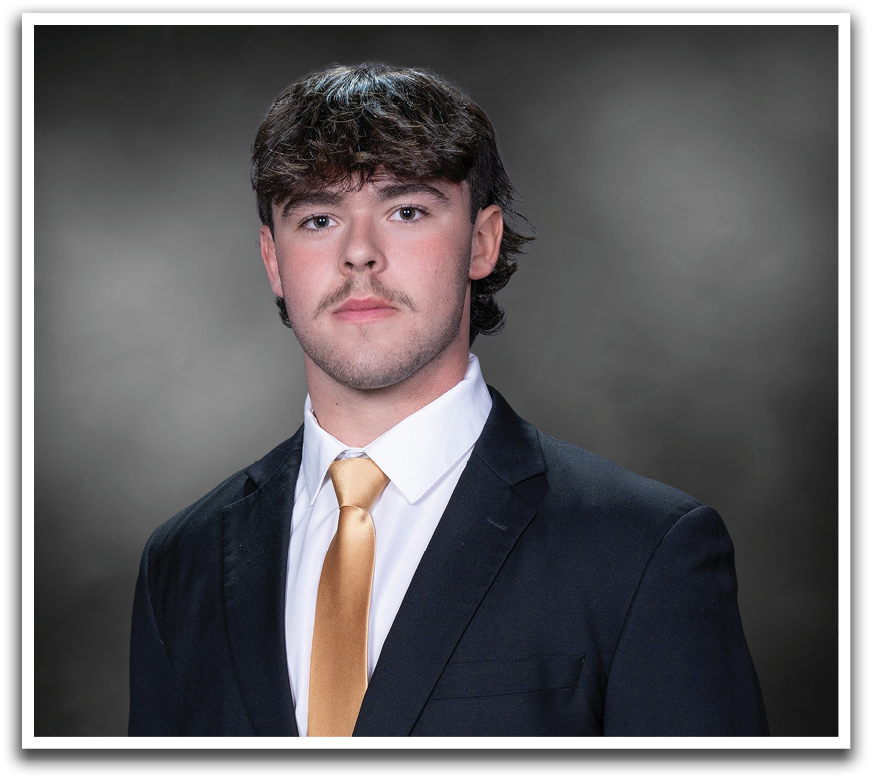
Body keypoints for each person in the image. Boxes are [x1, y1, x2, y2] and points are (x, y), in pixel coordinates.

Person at [128, 63, 768, 737]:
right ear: (273, 260)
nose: (359, 255)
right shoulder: (183, 561)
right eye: (318, 218)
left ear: (482, 242)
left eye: (406, 211)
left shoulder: (642, 551)